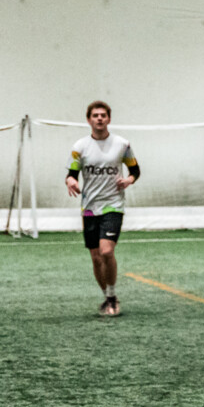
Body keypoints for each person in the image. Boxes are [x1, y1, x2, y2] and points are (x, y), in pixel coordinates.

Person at [66, 101, 139, 316]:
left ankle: (112, 295)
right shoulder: (79, 147)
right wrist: (70, 181)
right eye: (95, 115)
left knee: (107, 251)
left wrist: (129, 180)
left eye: (103, 115)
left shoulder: (122, 144)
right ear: (89, 119)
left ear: (109, 119)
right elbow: (71, 174)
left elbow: (135, 170)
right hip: (90, 208)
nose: (99, 118)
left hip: (113, 205)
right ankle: (108, 297)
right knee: (96, 258)